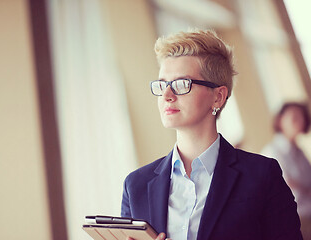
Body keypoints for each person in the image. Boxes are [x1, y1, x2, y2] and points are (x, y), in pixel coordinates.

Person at [121, 29, 302, 240]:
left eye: (181, 84)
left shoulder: (262, 175)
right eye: (162, 84)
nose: (167, 95)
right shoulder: (135, 186)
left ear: (218, 97)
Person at [262, 102, 311, 240]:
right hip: (296, 219)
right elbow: (287, 186)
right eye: (294, 117)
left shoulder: (299, 152)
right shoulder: (272, 152)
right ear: (280, 121)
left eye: (301, 117)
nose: (299, 121)